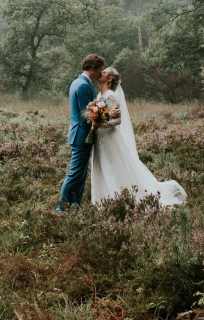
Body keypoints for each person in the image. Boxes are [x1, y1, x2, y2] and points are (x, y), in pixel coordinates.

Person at [90, 67, 186, 206]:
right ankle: (105, 199)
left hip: (110, 137)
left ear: (109, 79)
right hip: (101, 137)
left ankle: (117, 198)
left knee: (111, 167)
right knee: (103, 165)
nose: (100, 73)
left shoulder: (111, 95)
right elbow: (104, 116)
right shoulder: (99, 96)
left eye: (104, 72)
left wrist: (101, 125)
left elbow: (118, 120)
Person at [55, 54, 120, 212]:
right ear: (93, 68)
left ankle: (75, 203)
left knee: (81, 173)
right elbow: (88, 114)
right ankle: (61, 208)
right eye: (100, 70)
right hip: (81, 135)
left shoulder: (78, 82)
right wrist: (108, 114)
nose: (101, 73)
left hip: (80, 134)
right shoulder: (83, 85)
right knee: (75, 173)